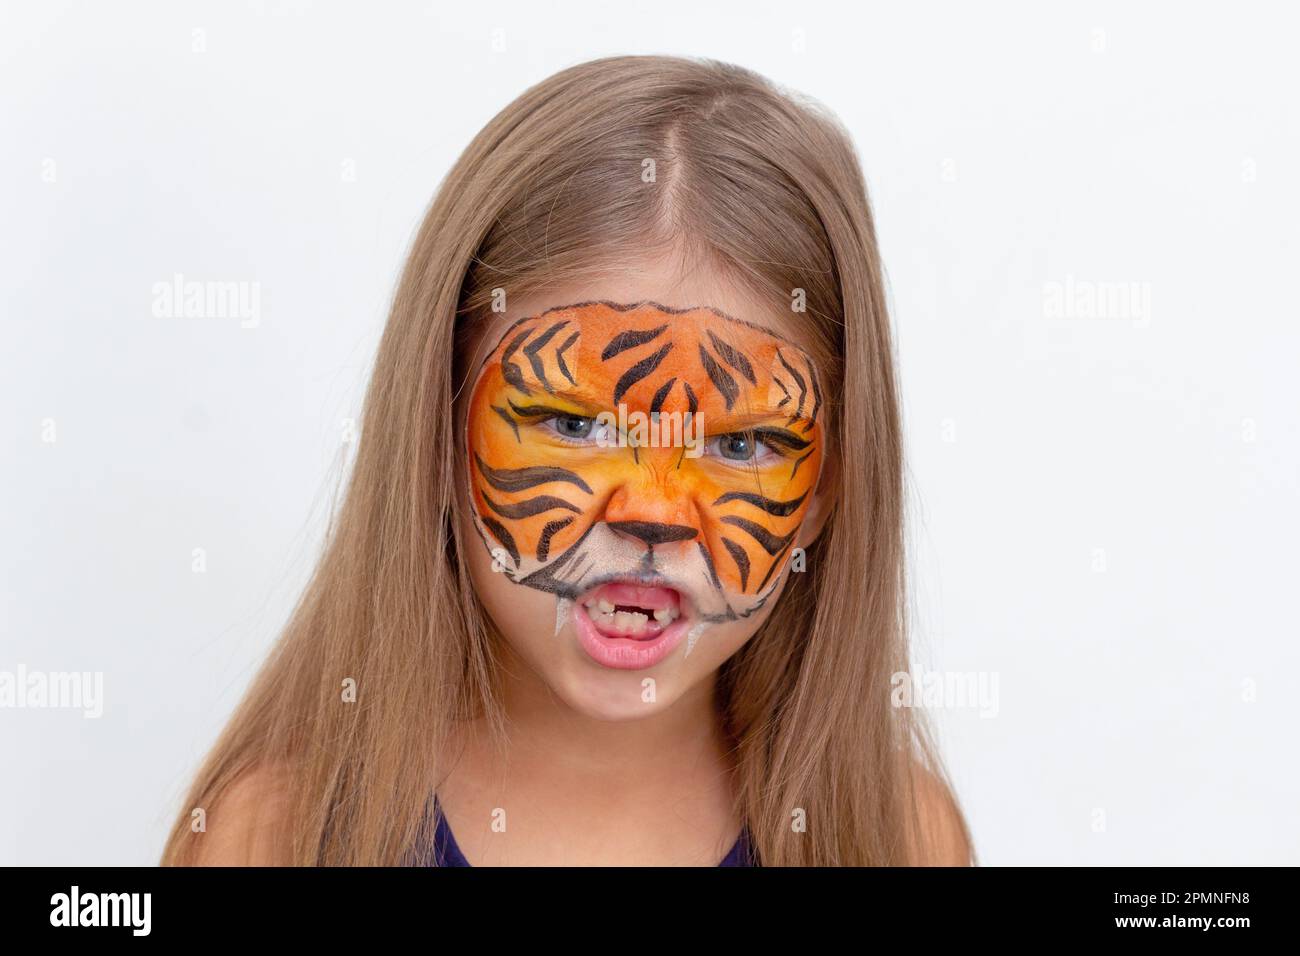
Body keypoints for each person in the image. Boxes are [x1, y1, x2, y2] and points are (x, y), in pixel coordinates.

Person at [162, 54, 973, 867]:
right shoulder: (275, 839)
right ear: (434, 437)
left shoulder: (898, 839)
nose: (653, 512)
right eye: (571, 422)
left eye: (740, 444)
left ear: (827, 490)